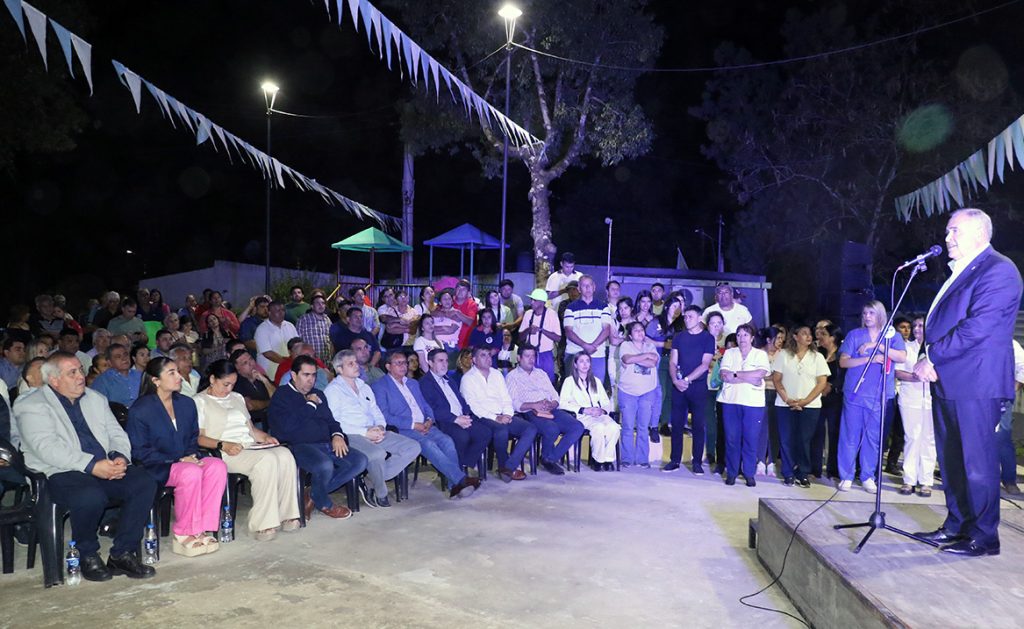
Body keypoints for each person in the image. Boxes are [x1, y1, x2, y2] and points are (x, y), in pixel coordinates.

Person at [912, 208, 1023, 556]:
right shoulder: (963, 270)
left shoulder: (999, 270)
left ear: (979, 232)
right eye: (948, 232)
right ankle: (957, 525)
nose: (947, 238)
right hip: (950, 380)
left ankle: (984, 536)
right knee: (952, 460)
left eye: (954, 231)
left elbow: (978, 327)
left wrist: (933, 357)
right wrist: (927, 358)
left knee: (977, 463)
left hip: (977, 382)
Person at [12, 353, 154, 582]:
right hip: (59, 471)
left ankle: (122, 553)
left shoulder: (95, 398)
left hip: (102, 465)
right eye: (72, 373)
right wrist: (91, 465)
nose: (81, 376)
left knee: (144, 483)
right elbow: (47, 448)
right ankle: (87, 553)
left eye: (80, 370)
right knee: (90, 496)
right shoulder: (31, 404)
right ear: (54, 380)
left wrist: (119, 456)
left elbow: (116, 433)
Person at [127, 357, 228, 556]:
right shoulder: (141, 409)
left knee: (217, 466)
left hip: (185, 460)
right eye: (171, 373)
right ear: (156, 380)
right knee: (189, 472)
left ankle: (202, 528)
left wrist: (191, 455)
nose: (179, 377)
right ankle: (184, 533)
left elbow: (192, 438)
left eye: (178, 372)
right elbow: (139, 451)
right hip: (156, 465)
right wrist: (178, 460)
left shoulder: (186, 404)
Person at [193, 359, 300, 541]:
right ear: (212, 379)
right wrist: (223, 444)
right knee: (266, 460)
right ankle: (262, 523)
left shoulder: (237, 397)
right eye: (225, 384)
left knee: (285, 454)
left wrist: (265, 437)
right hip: (225, 451)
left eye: (232, 384)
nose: (229, 389)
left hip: (248, 445)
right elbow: (199, 437)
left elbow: (250, 429)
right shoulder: (199, 401)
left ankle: (287, 514)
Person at [268, 355, 367, 519]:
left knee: (360, 461)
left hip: (326, 444)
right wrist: (311, 404)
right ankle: (324, 504)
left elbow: (331, 421)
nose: (311, 380)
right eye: (306, 375)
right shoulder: (282, 395)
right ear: (294, 375)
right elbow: (287, 428)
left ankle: (313, 494)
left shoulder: (318, 393)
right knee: (324, 465)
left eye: (314, 375)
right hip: (299, 445)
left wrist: (337, 435)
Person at [372, 352, 480, 499]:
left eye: (405, 363)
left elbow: (426, 405)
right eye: (398, 363)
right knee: (428, 444)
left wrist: (429, 419)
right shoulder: (380, 386)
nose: (404, 366)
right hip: (404, 428)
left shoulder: (413, 383)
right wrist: (413, 425)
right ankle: (461, 480)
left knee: (447, 441)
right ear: (388, 366)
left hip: (425, 424)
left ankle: (453, 485)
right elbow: (385, 416)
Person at [324, 351, 418, 508]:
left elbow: (376, 412)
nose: (356, 366)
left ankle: (371, 480)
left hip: (373, 430)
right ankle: (380, 493)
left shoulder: (364, 387)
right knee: (377, 454)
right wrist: (365, 433)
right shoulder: (333, 390)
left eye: (356, 362)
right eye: (351, 363)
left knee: (413, 447)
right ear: (339, 369)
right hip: (350, 434)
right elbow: (334, 422)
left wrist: (380, 427)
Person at [837, 300, 906, 494]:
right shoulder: (855, 335)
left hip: (878, 395)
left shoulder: (891, 336)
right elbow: (843, 362)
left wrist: (878, 346)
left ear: (880, 315)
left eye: (871, 313)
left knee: (873, 438)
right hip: (855, 393)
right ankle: (846, 476)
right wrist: (870, 358)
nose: (867, 317)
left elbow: (901, 357)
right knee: (850, 436)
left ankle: (868, 476)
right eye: (865, 313)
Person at [460, 346, 538, 481]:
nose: (488, 358)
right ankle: (504, 466)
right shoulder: (468, 379)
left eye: (489, 355)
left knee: (530, 428)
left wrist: (507, 414)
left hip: (503, 414)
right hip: (482, 417)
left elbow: (506, 398)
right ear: (474, 360)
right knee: (501, 430)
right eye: (483, 355)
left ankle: (508, 467)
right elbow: (473, 406)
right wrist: (496, 417)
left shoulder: (497, 374)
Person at [506, 344, 584, 475]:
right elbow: (513, 403)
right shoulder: (512, 376)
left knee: (577, 427)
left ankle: (549, 458)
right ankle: (548, 458)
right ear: (519, 358)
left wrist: (553, 403)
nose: (531, 359)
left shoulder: (541, 374)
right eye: (527, 356)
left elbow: (555, 395)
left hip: (550, 409)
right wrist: (533, 405)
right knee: (551, 428)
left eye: (533, 356)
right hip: (530, 412)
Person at [772, 324, 830, 487]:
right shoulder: (784, 354)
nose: (809, 336)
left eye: (810, 334)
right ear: (795, 336)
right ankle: (788, 472)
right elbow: (777, 379)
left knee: (804, 440)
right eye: (804, 333)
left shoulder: (817, 357)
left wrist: (805, 401)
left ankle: (803, 473)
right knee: (786, 439)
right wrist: (787, 399)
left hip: (810, 406)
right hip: (785, 404)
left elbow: (822, 382)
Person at [419, 349, 492, 474]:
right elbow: (432, 409)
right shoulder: (425, 382)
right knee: (462, 436)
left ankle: (463, 465)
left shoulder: (450, 380)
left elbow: (461, 401)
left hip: (461, 417)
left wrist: (466, 415)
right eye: (440, 361)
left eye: (446, 361)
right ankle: (458, 472)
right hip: (444, 421)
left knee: (485, 432)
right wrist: (456, 419)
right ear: (430, 363)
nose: (445, 364)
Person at [664, 306, 715, 474]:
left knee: (698, 425)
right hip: (678, 386)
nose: (686, 320)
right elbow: (673, 361)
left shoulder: (708, 338)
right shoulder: (679, 337)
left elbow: (705, 365)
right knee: (677, 424)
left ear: (700, 318)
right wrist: (675, 380)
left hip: (697, 387)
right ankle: (674, 460)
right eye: (685, 317)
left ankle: (697, 462)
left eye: (690, 317)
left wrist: (686, 380)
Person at [718, 324, 770, 486]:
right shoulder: (730, 353)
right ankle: (732, 473)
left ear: (752, 338)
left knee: (751, 439)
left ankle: (749, 473)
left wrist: (735, 375)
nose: (742, 338)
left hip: (753, 403)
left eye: (745, 335)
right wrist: (748, 377)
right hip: (731, 401)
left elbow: (760, 375)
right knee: (731, 439)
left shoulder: (760, 354)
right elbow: (724, 375)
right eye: (739, 335)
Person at [894, 316, 935, 497]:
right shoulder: (906, 348)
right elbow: (897, 371)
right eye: (915, 326)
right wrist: (914, 377)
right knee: (912, 437)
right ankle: (909, 480)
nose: (917, 329)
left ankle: (926, 481)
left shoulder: (936, 349)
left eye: (921, 325)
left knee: (929, 440)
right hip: (910, 398)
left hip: (932, 400)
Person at [559, 353, 619, 470]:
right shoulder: (569, 381)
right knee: (599, 428)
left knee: (614, 427)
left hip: (599, 414)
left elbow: (606, 402)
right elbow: (563, 403)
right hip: (582, 416)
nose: (585, 364)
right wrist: (583, 410)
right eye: (581, 361)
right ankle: (598, 460)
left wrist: (602, 410)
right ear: (575, 364)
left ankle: (608, 459)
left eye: (587, 361)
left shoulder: (596, 381)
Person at [617, 322, 659, 468]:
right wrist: (645, 357)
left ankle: (642, 459)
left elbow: (653, 363)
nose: (640, 333)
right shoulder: (625, 345)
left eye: (642, 330)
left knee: (643, 427)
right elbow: (627, 359)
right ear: (630, 335)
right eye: (636, 331)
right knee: (628, 426)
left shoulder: (650, 346)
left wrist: (637, 358)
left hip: (647, 392)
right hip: (627, 391)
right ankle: (626, 458)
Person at [562, 275, 612, 383]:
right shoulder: (570, 308)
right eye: (584, 285)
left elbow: (607, 330)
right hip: (574, 353)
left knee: (597, 386)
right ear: (579, 289)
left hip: (597, 354)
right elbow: (569, 332)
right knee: (574, 387)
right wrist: (585, 346)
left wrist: (593, 346)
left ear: (594, 287)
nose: (587, 288)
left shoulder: (604, 307)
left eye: (590, 285)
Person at [816, 323, 845, 481]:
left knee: (834, 433)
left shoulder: (842, 354)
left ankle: (833, 469)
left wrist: (831, 385)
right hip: (817, 397)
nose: (820, 337)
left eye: (824, 334)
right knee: (816, 432)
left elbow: (844, 375)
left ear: (833, 338)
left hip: (835, 398)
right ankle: (815, 468)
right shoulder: (818, 353)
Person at [756, 326, 785, 477]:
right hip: (761, 393)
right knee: (761, 428)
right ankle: (760, 461)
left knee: (774, 428)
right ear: (768, 339)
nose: (780, 341)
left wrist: (772, 376)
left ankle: (772, 461)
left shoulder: (783, 355)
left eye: (781, 338)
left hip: (778, 394)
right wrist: (772, 376)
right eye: (778, 338)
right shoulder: (758, 353)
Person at [518, 288, 562, 382]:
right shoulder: (528, 314)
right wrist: (528, 330)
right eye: (531, 300)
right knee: (528, 381)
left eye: (534, 300)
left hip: (545, 355)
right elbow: (520, 337)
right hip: (529, 354)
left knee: (547, 382)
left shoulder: (551, 314)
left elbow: (558, 338)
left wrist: (541, 330)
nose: (531, 302)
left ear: (542, 302)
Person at [999, 340, 1024, 495]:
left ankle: (1009, 480)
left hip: (1002, 397)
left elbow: (1022, 367)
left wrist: (1012, 390)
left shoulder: (1010, 343)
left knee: (1002, 437)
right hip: (978, 396)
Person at [230, 349, 276, 428]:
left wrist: (265, 381)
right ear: (238, 369)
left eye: (251, 359)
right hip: (254, 424)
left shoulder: (260, 376)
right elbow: (250, 405)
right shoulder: (236, 384)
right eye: (245, 363)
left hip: (272, 417)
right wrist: (270, 403)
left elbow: (277, 397)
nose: (251, 364)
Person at [255, 301, 299, 381]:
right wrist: (287, 364)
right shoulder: (262, 329)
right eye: (278, 311)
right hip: (271, 374)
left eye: (283, 310)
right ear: (269, 313)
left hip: (290, 371)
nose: (281, 313)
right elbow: (268, 353)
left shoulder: (290, 326)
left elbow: (298, 346)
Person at [295, 294, 334, 364]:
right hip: (309, 360)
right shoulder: (304, 319)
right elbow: (298, 341)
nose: (321, 305)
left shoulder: (327, 320)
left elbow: (331, 340)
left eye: (323, 303)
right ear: (312, 306)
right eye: (317, 303)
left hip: (326, 361)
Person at [451, 279, 479, 349]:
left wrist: (457, 313)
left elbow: (470, 322)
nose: (460, 291)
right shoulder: (449, 302)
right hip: (449, 342)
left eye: (463, 289)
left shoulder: (472, 304)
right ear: (455, 290)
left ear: (468, 293)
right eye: (458, 288)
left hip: (466, 344)